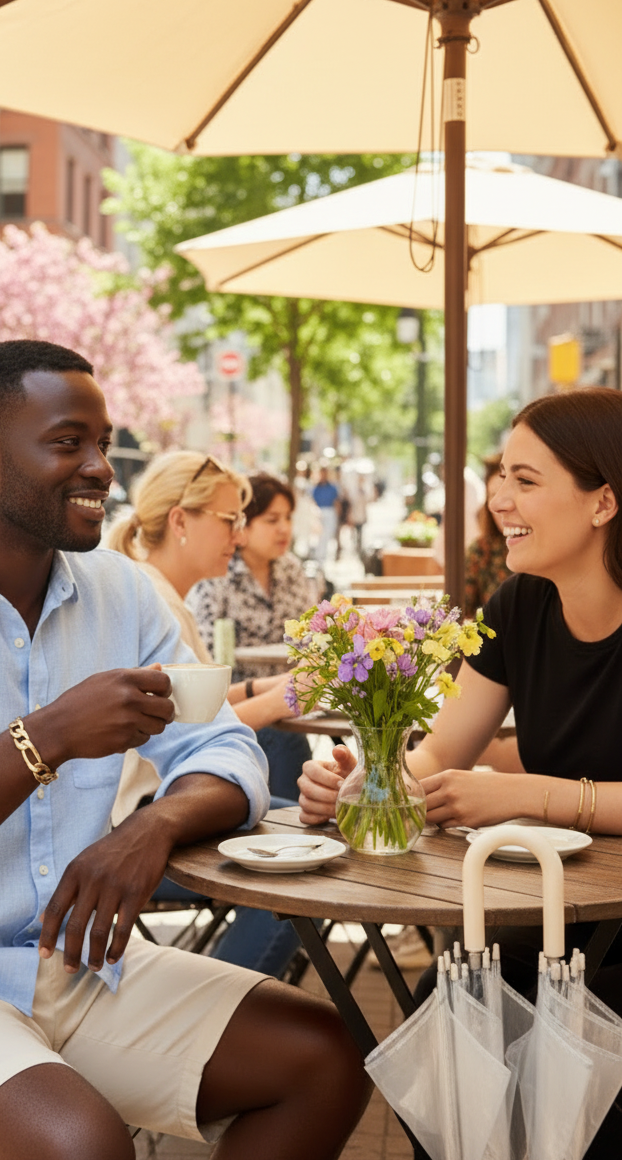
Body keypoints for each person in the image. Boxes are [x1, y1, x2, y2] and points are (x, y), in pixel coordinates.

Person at [0, 340, 369, 1160]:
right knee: (79, 1146)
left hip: (70, 964)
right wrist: (46, 739)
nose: (100, 467)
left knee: (326, 1058)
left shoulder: (120, 595)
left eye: (102, 443)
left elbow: (228, 751)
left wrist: (148, 831)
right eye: (68, 443)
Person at [298, 385, 622, 1160]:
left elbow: (504, 784)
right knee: (449, 1058)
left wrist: (528, 797)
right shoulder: (518, 607)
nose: (498, 498)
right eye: (500, 476)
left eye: (526, 479)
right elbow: (439, 753)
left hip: (600, 933)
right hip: (544, 911)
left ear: (604, 500)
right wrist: (367, 781)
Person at [108, 456, 308, 980]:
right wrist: (283, 698)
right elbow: (196, 728)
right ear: (180, 521)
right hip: (143, 815)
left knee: (305, 820)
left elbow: (196, 705)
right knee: (300, 863)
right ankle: (226, 999)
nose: (238, 536)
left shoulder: (154, 590)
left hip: (158, 802)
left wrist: (266, 688)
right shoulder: (153, 599)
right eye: (228, 520)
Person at [188, 472, 319, 803]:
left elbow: (315, 635)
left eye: (288, 518)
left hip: (294, 701)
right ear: (243, 526)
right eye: (272, 519)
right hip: (238, 709)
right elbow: (206, 659)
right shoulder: (218, 573)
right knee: (284, 740)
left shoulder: (290, 570)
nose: (284, 528)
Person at [463, 451, 512, 619]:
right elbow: (461, 613)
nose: (499, 505)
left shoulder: (545, 548)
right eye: (493, 495)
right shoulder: (481, 550)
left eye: (508, 495)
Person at [312, 464, 339, 565]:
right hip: (319, 512)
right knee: (319, 536)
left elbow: (336, 502)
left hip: (330, 512)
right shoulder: (315, 488)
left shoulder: (332, 487)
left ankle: (323, 559)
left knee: (327, 536)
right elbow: (312, 501)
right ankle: (318, 558)